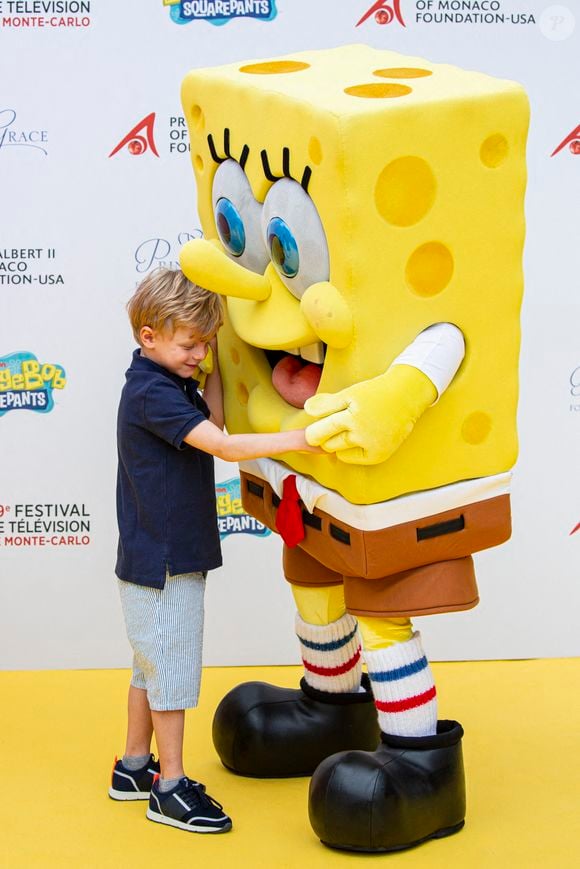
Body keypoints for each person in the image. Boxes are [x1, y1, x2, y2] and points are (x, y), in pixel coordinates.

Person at [108, 267, 316, 835]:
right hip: (164, 560)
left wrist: (213, 360)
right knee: (169, 672)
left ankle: (132, 767)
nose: (198, 354)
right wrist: (300, 438)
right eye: (188, 344)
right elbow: (223, 444)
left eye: (204, 342)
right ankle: (168, 787)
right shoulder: (152, 392)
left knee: (148, 667)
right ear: (148, 335)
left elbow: (214, 418)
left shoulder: (169, 382)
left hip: (162, 554)